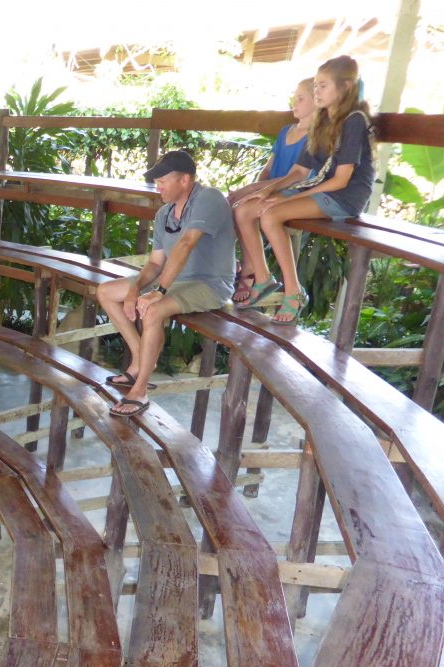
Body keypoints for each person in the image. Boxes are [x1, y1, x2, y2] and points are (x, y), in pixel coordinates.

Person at [235, 55, 374, 324]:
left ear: (344, 88)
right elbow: (298, 172)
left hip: (344, 197)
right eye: (315, 87)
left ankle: (293, 291)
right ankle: (263, 280)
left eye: (322, 86)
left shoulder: (354, 120)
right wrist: (268, 191)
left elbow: (342, 180)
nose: (316, 92)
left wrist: (288, 198)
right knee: (244, 209)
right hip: (319, 188)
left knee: (270, 214)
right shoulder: (322, 122)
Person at [98, 150, 236, 418]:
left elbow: (186, 243)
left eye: (163, 180)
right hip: (174, 281)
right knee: (106, 291)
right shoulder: (164, 213)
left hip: (210, 284)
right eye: (156, 181)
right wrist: (135, 290)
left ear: (185, 180)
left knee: (153, 309)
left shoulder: (209, 197)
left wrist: (158, 292)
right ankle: (139, 358)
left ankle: (139, 391)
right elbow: (154, 264)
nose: (157, 186)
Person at [229, 78, 315, 303]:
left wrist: (255, 190)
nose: (294, 102)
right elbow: (268, 168)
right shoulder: (286, 131)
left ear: (317, 101)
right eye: (294, 97)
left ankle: (252, 272)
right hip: (271, 188)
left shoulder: (316, 136)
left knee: (241, 207)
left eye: (301, 98)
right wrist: (256, 187)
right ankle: (256, 271)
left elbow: (297, 177)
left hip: (292, 191)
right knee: (237, 204)